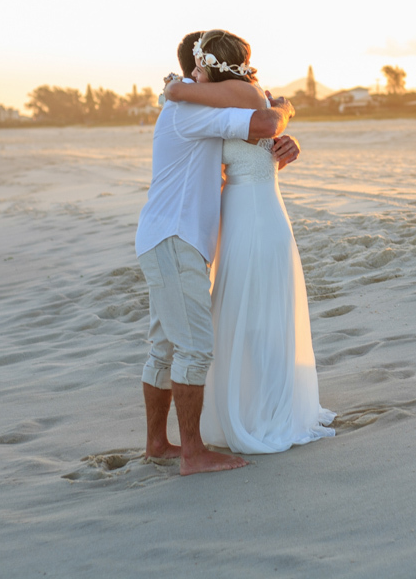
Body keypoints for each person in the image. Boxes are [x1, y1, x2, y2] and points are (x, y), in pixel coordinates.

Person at [135, 31, 298, 476]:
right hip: (175, 238)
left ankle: (157, 443)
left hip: (167, 236)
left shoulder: (190, 106)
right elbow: (262, 123)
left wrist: (281, 147)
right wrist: (283, 108)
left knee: (165, 346)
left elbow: (242, 152)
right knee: (192, 349)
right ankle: (192, 453)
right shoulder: (190, 109)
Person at [164, 30, 335, 454]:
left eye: (200, 68)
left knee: (259, 313)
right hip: (243, 212)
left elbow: (265, 125)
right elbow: (243, 153)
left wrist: (175, 87)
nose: (195, 76)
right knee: (248, 310)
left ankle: (266, 411)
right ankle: (257, 405)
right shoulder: (234, 97)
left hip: (256, 215)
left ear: (210, 66)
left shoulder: (238, 93)